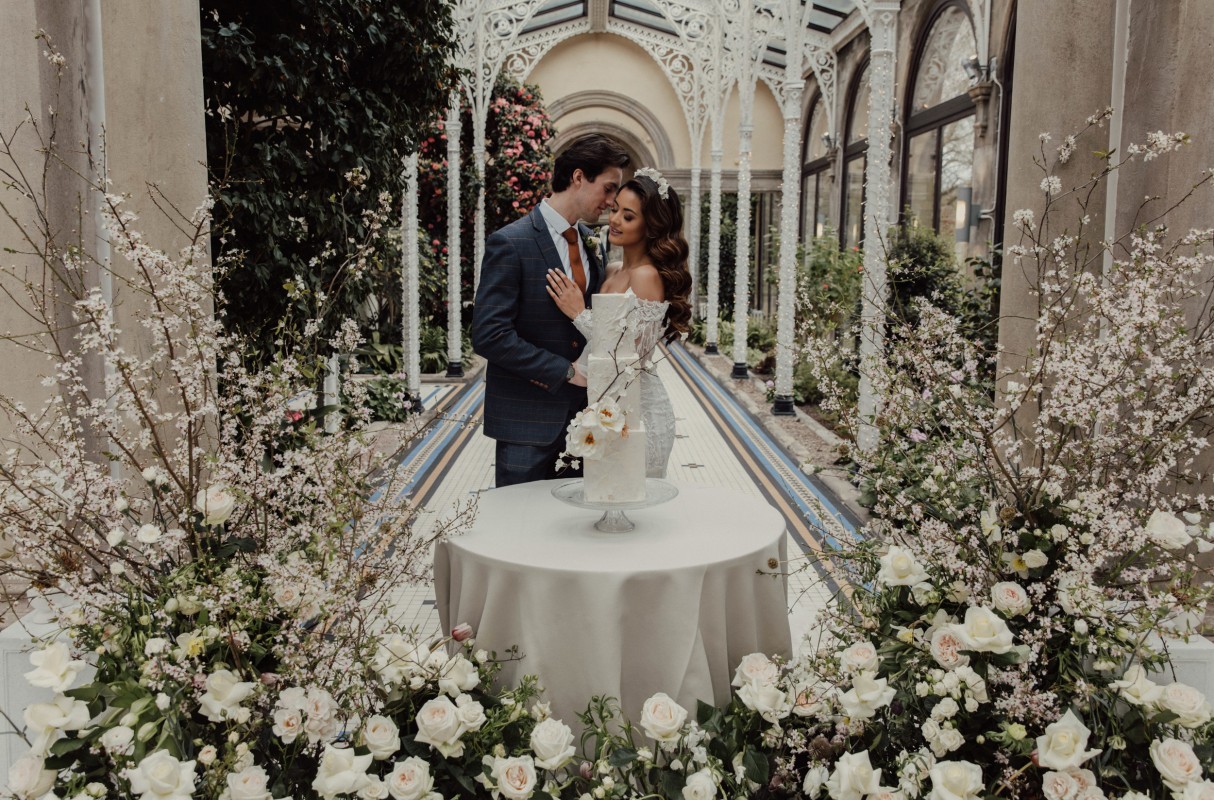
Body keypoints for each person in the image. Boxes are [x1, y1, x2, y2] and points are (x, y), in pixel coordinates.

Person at [472, 134, 630, 488]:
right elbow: (489, 335)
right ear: (577, 177)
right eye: (607, 189)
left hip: (584, 425)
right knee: (519, 531)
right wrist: (564, 371)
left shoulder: (593, 243)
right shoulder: (511, 242)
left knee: (573, 532)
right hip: (526, 423)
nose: (610, 202)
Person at [544, 167, 692, 477]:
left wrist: (578, 314)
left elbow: (629, 357)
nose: (614, 220)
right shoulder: (611, 270)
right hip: (606, 405)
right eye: (615, 210)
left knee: (636, 501)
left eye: (628, 216)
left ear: (650, 226)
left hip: (640, 410)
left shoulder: (647, 277)